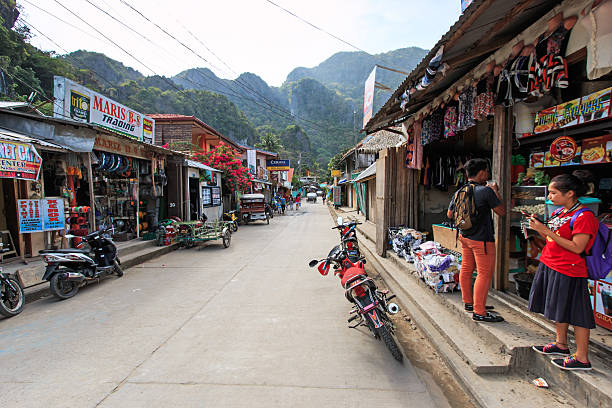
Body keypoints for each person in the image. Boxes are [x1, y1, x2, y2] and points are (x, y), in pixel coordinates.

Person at [528, 172, 598, 371]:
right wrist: (539, 229)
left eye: (553, 192)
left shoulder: (584, 216)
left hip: (570, 268)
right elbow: (553, 238)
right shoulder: (560, 212)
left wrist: (547, 231)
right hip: (551, 264)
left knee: (577, 312)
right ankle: (561, 344)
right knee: (560, 307)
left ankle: (582, 358)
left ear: (570, 194)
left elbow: (577, 247)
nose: (549, 196)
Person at [447, 158, 506, 322]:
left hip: (464, 236)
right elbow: (501, 211)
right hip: (482, 240)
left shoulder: (460, 191)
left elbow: (450, 215)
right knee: (484, 274)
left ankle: (468, 302)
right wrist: (495, 191)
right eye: (486, 171)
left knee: (466, 268)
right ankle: (479, 311)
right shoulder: (485, 191)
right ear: (481, 173)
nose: (487, 174)